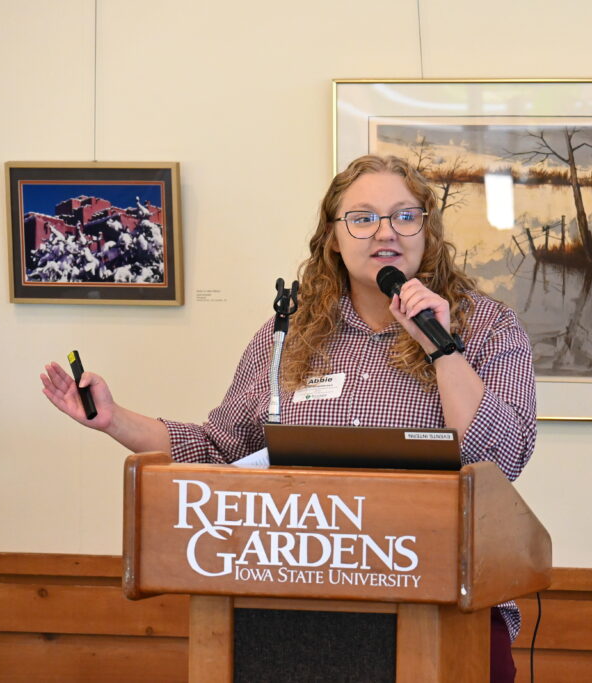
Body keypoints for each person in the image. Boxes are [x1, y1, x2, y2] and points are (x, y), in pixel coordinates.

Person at [41, 154, 536, 681]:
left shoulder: (487, 326)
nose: (385, 232)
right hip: (291, 622)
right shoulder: (288, 334)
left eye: (404, 216)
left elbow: (498, 460)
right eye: (363, 218)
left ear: (426, 230)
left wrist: (442, 348)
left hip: (446, 614)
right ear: (333, 237)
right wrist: (114, 419)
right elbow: (218, 450)